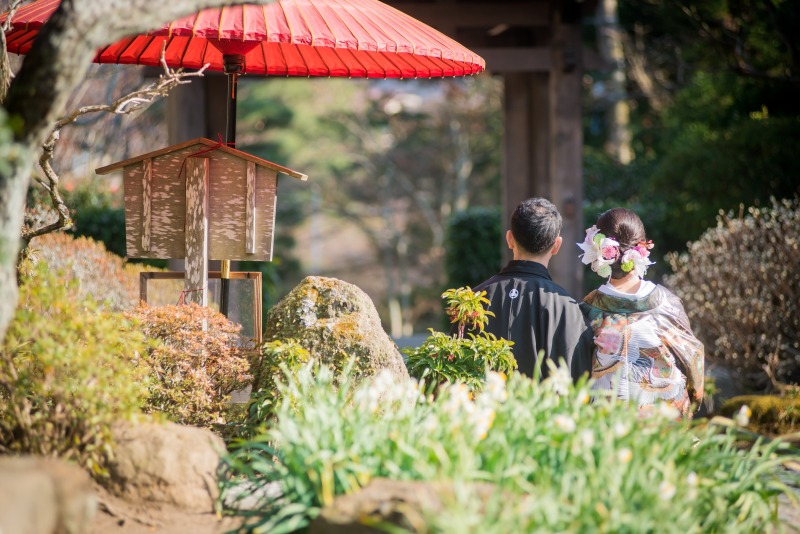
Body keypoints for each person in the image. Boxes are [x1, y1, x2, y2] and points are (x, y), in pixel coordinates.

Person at [578, 208, 704, 417]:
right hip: (664, 422)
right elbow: (693, 358)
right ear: (642, 247)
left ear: (598, 249)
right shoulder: (666, 304)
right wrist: (693, 402)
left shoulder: (589, 309)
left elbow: (577, 373)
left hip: (608, 425)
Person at [470, 197, 593, 381]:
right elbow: (577, 381)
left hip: (482, 400)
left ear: (510, 239)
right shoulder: (567, 307)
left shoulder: (471, 300)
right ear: (556, 245)